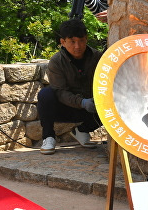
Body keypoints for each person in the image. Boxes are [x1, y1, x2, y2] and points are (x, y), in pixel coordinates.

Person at [37, 19, 103, 155]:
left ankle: (82, 130)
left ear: (87, 39)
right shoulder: (56, 62)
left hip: (92, 109)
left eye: (81, 41)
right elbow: (60, 92)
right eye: (72, 42)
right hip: (65, 108)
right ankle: (48, 137)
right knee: (45, 94)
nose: (77, 46)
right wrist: (82, 102)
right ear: (63, 42)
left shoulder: (98, 57)